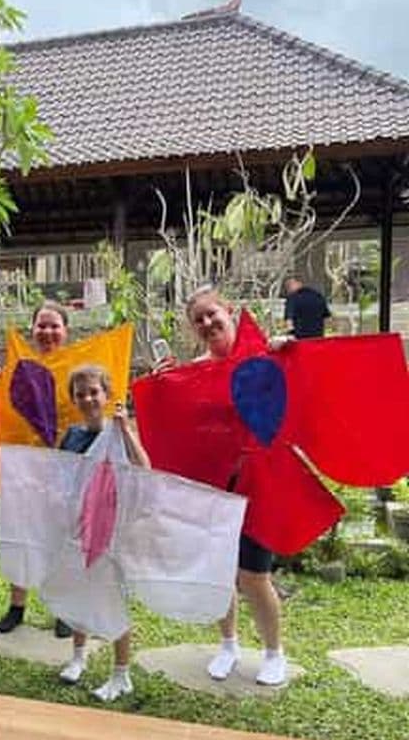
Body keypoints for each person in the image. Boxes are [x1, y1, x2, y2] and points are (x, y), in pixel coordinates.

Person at [154, 285, 287, 686]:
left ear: (230, 311)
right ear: (194, 330)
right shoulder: (195, 370)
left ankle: (273, 652)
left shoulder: (265, 356)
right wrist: (165, 385)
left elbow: (293, 391)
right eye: (200, 320)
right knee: (218, 572)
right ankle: (228, 644)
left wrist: (284, 351)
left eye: (213, 314)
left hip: (258, 486)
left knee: (254, 576)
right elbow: (182, 423)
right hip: (213, 486)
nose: (208, 323)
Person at [57, 364, 150, 702]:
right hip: (81, 527)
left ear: (107, 395)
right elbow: (62, 479)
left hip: (116, 530)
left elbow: (144, 469)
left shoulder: (120, 432)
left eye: (94, 392)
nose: (87, 399)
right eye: (80, 394)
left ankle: (121, 673)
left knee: (114, 597)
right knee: (81, 590)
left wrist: (126, 431)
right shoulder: (72, 436)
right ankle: (78, 656)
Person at [0, 300, 71, 635]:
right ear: (32, 330)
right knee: (20, 536)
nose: (48, 332)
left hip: (63, 469)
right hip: (22, 468)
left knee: (61, 540)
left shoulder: (76, 368)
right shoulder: (16, 368)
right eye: (42, 325)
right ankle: (17, 606)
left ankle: (64, 610)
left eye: (54, 325)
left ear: (65, 331)